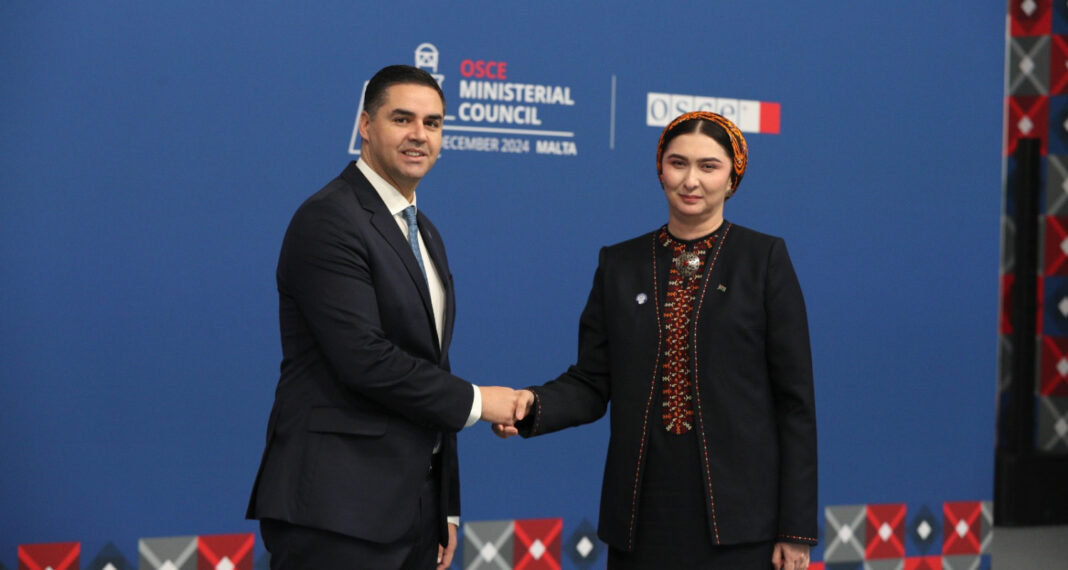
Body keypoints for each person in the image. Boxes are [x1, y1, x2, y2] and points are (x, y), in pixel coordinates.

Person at [495, 111, 818, 569]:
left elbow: (795, 403)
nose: (690, 180)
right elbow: (592, 382)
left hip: (742, 519)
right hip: (641, 516)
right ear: (660, 170)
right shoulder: (620, 264)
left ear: (733, 177)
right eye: (677, 163)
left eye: (709, 166)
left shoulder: (763, 259)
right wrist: (532, 405)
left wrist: (796, 529)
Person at [246, 64, 521, 570]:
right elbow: (365, 359)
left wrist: (445, 505)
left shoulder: (424, 231)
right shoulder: (328, 218)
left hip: (412, 511)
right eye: (402, 119)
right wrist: (481, 402)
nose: (420, 134)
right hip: (336, 511)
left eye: (433, 123)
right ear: (366, 126)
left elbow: (431, 364)